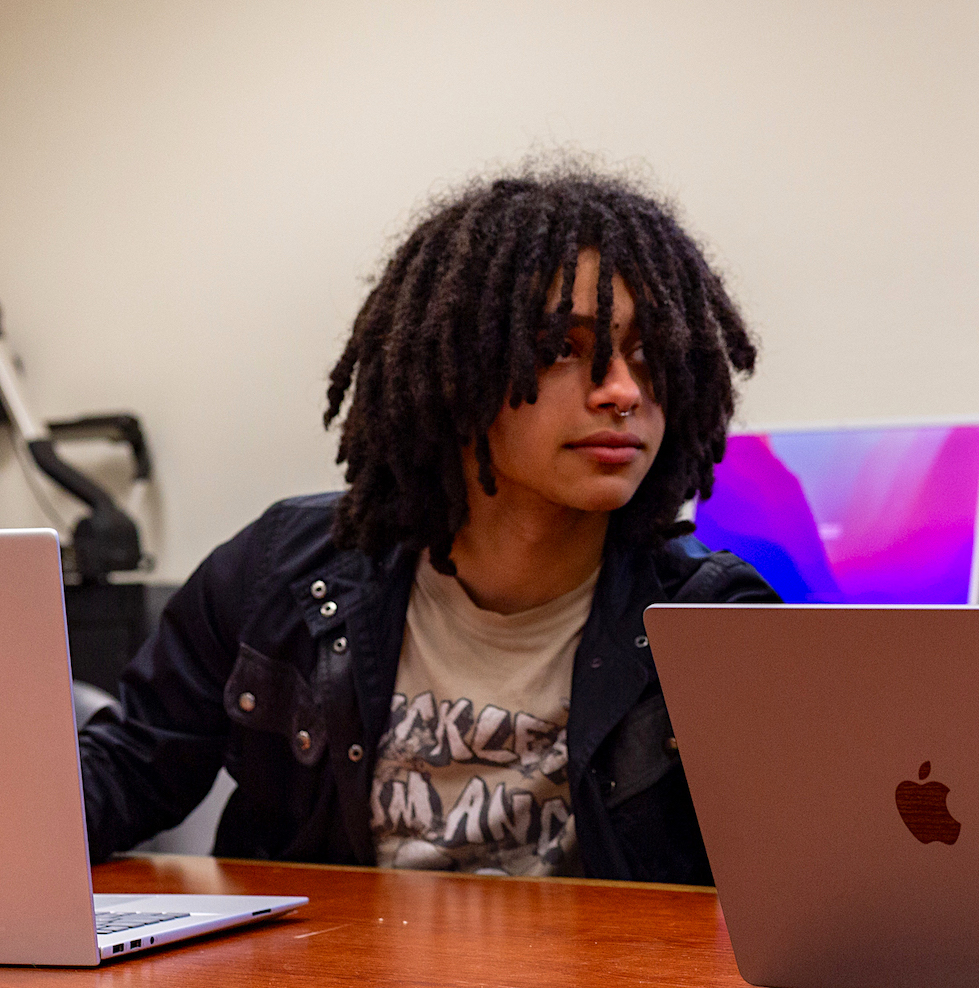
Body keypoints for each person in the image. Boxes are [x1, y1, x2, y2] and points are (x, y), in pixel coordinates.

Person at [79, 166, 776, 882]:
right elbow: (127, 767)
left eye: (648, 354)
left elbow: (806, 881)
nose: (624, 391)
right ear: (463, 369)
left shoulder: (712, 621)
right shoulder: (283, 572)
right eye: (565, 348)